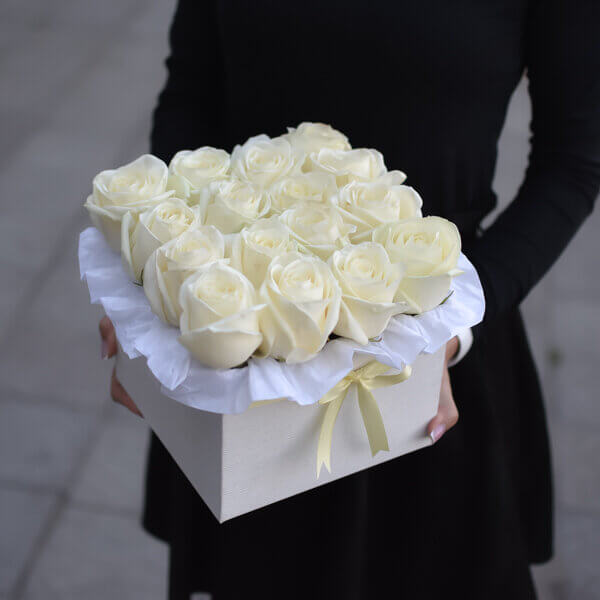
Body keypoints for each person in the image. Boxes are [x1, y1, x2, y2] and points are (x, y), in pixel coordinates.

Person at [98, 1, 600, 598]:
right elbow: (192, 95)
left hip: (424, 372)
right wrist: (155, 273)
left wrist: (452, 330)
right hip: (238, 347)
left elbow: (573, 163)